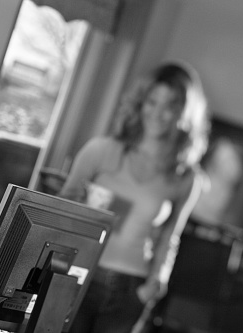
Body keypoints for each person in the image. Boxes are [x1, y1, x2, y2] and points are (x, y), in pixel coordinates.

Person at [58, 62, 211, 333]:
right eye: (152, 101)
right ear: (140, 103)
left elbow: (169, 238)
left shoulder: (186, 178)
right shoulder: (100, 150)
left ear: (184, 113)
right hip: (78, 275)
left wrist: (155, 284)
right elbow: (62, 210)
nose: (158, 113)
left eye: (170, 105)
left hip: (131, 289)